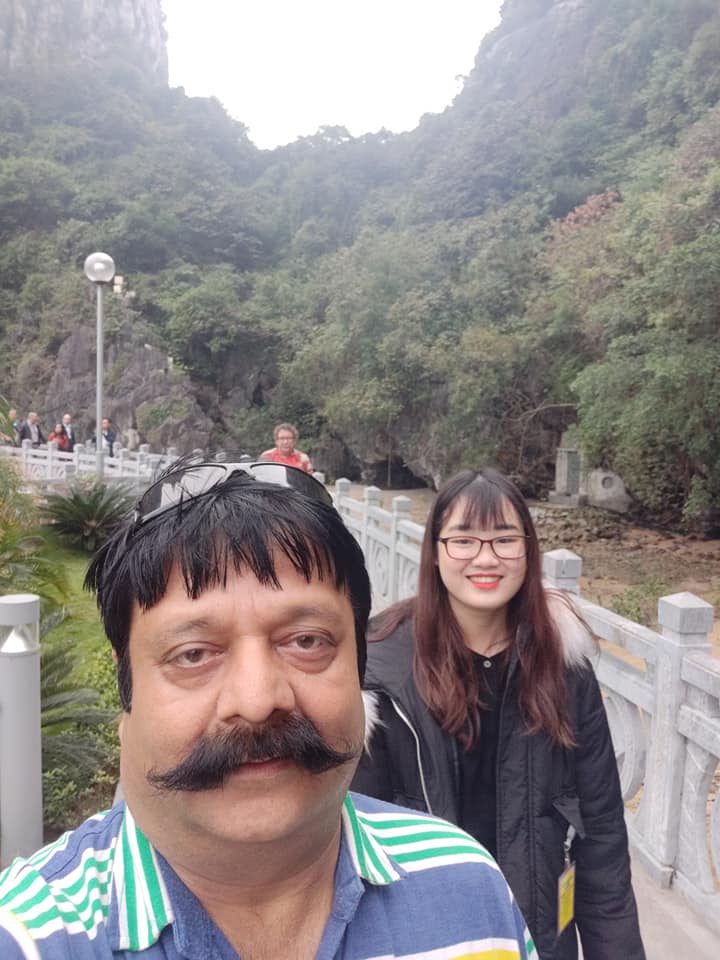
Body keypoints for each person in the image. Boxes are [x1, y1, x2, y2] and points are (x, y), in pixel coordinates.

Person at [0, 459, 538, 960]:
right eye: (193, 654)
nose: (258, 702)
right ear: (128, 688)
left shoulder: (469, 891)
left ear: (359, 666)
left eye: (306, 642)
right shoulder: (30, 937)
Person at [351, 468, 646, 960]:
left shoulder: (563, 667)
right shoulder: (381, 674)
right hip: (426, 938)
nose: (486, 558)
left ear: (529, 550)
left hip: (539, 934)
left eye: (505, 539)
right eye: (463, 540)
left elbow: (603, 845)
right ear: (435, 550)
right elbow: (353, 844)